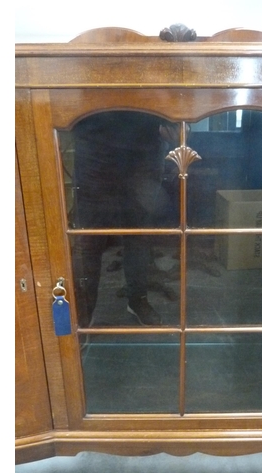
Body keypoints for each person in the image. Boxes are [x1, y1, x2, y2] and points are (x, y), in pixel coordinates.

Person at [70, 111, 178, 326]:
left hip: (144, 147)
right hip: (94, 144)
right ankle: (83, 313)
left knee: (139, 234)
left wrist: (173, 118)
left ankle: (137, 299)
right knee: (88, 238)